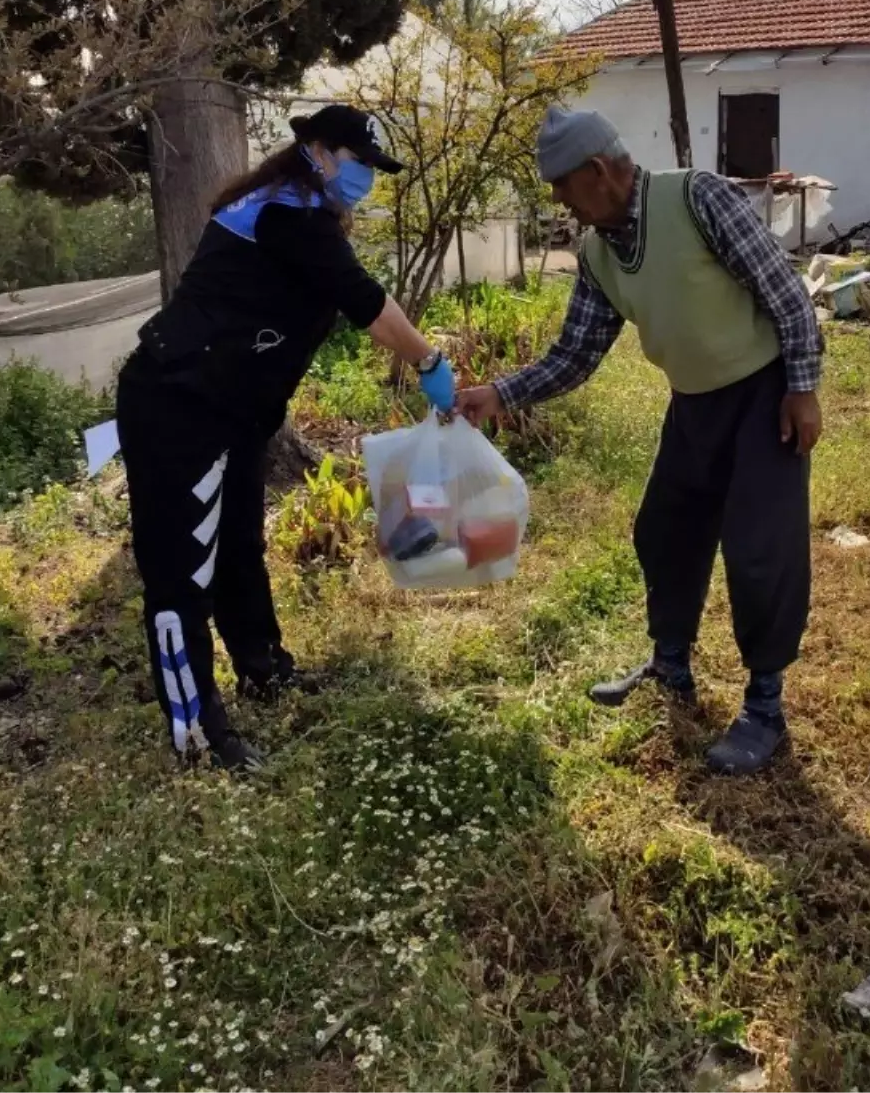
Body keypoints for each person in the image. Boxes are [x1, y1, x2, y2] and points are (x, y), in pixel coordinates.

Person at [458, 108, 823, 776]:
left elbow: (786, 294)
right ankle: (671, 666)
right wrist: (500, 394)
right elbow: (576, 354)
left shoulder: (698, 197)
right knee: (664, 531)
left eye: (564, 188)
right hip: (694, 406)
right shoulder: (598, 254)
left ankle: (765, 707)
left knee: (760, 552)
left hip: (764, 399)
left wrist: (801, 388)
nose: (561, 204)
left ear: (598, 172)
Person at [117, 105, 456, 771]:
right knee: (181, 574)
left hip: (231, 410)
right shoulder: (285, 212)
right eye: (360, 164)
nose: (367, 179)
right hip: (178, 404)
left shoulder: (297, 210)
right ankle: (196, 734)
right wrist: (429, 362)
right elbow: (363, 299)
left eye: (373, 169)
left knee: (240, 543)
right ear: (320, 151)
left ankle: (263, 666)